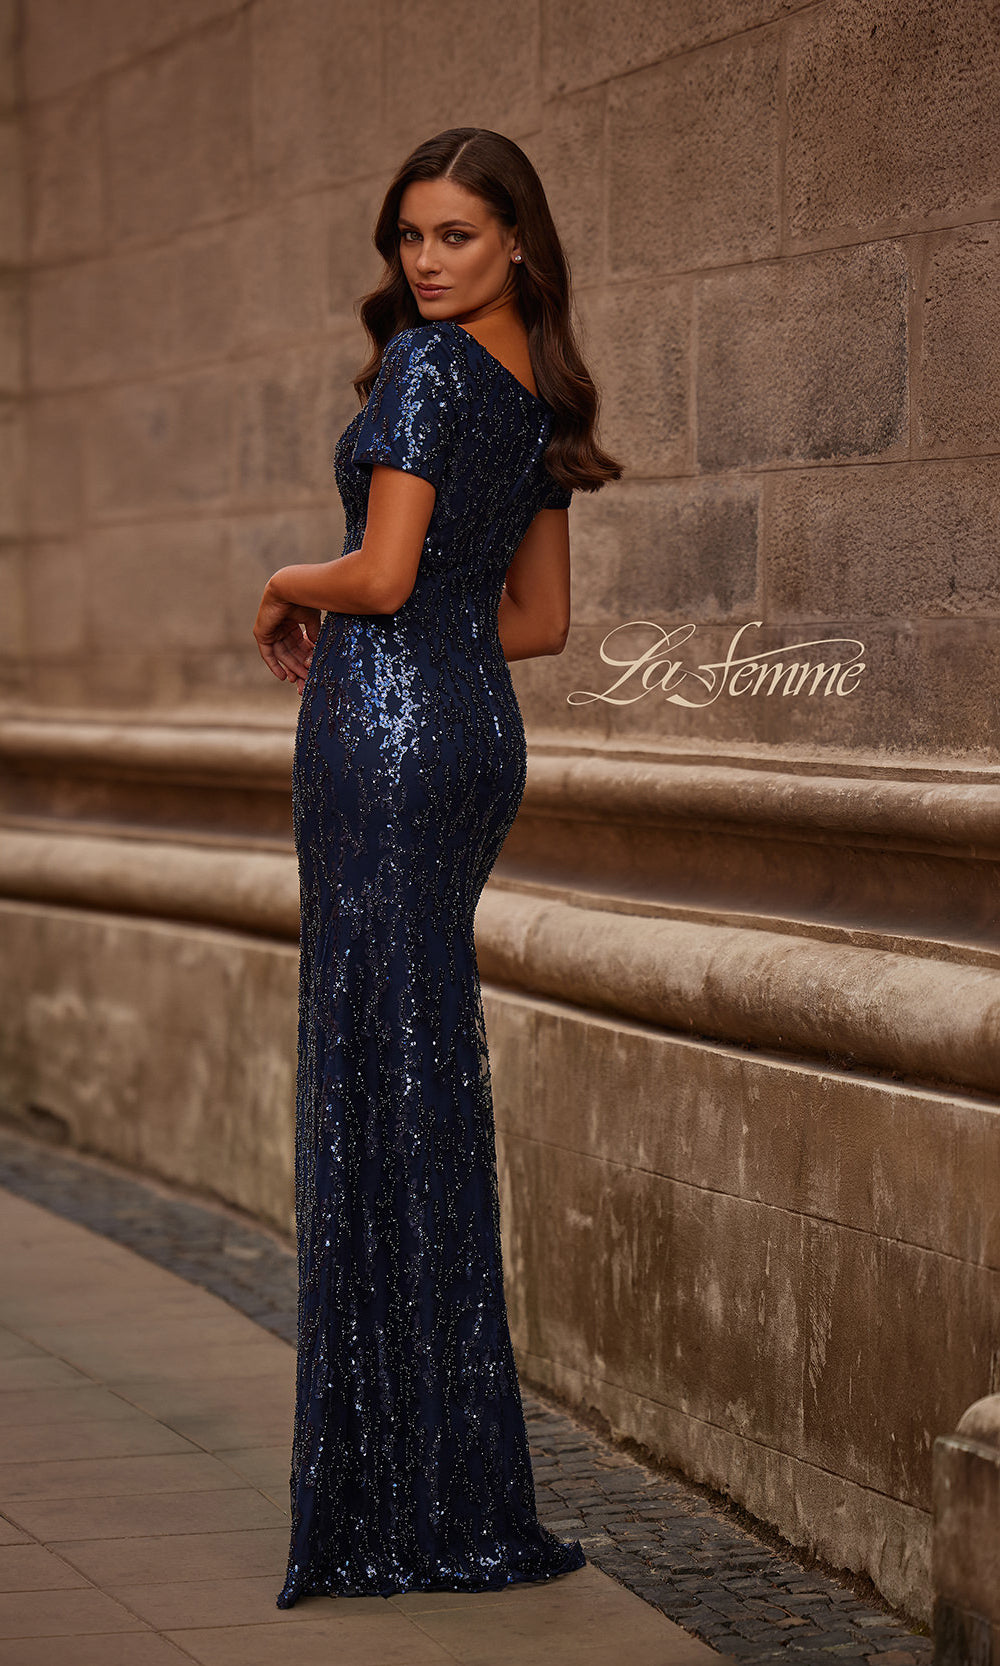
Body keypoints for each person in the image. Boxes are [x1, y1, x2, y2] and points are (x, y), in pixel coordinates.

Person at [252, 126, 622, 1607]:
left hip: (384, 734)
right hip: (475, 735)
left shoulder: (421, 369)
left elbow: (385, 577)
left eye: (455, 235)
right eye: (409, 236)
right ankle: (451, 1474)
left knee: (375, 1081)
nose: (422, 262)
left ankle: (397, 1499)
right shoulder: (541, 388)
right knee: (426, 1077)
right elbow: (533, 622)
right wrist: (412, 620)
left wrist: (290, 579)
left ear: (516, 238)